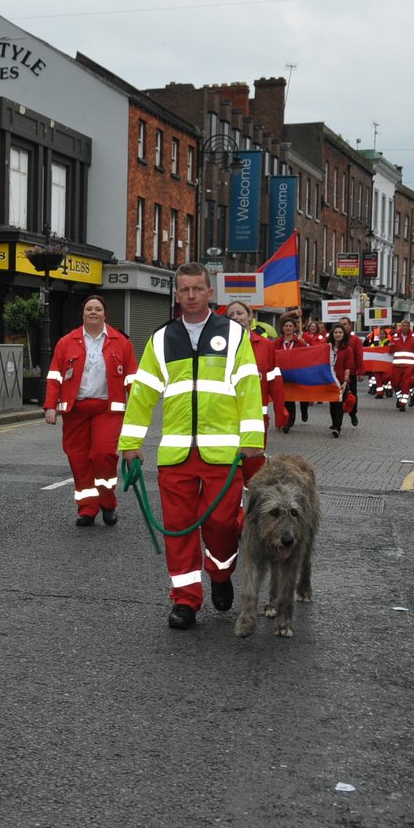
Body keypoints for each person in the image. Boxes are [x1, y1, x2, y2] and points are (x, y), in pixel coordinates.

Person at [119, 263, 264, 631]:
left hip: (223, 453)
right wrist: (130, 443)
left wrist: (251, 441)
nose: (191, 296)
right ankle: (185, 600)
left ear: (209, 293)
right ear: (177, 294)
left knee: (219, 524)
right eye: (184, 290)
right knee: (180, 529)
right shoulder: (161, 339)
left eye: (197, 289)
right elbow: (142, 395)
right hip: (177, 454)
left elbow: (248, 387)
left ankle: (219, 572)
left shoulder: (234, 335)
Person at [44, 295, 136, 527]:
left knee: (104, 455)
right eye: (88, 309)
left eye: (97, 309)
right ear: (83, 314)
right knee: (79, 459)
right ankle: (87, 508)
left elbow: (132, 377)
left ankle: (108, 503)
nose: (93, 312)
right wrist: (50, 406)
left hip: (107, 409)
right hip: (76, 411)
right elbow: (55, 375)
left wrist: (138, 407)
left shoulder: (121, 342)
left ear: (105, 314)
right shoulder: (66, 342)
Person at [224, 299, 287, 477]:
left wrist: (280, 414)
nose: (235, 318)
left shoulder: (266, 346)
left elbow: (274, 380)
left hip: (256, 418)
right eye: (231, 315)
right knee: (228, 463)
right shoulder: (219, 345)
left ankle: (250, 499)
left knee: (253, 464)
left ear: (250, 317)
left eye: (240, 313)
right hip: (226, 415)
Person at [325, 322, 358, 438]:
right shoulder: (327, 347)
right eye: (336, 332)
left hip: (341, 381)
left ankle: (337, 427)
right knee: (332, 405)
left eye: (340, 332)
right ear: (332, 334)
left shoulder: (347, 349)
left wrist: (345, 381)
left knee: (339, 405)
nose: (338, 334)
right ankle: (334, 424)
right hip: (329, 380)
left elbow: (348, 366)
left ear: (344, 334)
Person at [275, 312, 308, 427]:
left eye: (290, 326)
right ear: (282, 328)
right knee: (288, 398)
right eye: (286, 326)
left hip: (296, 374)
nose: (288, 328)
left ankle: (304, 410)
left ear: (294, 328)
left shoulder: (300, 343)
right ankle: (289, 421)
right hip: (282, 375)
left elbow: (306, 357)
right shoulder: (277, 343)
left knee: (301, 396)